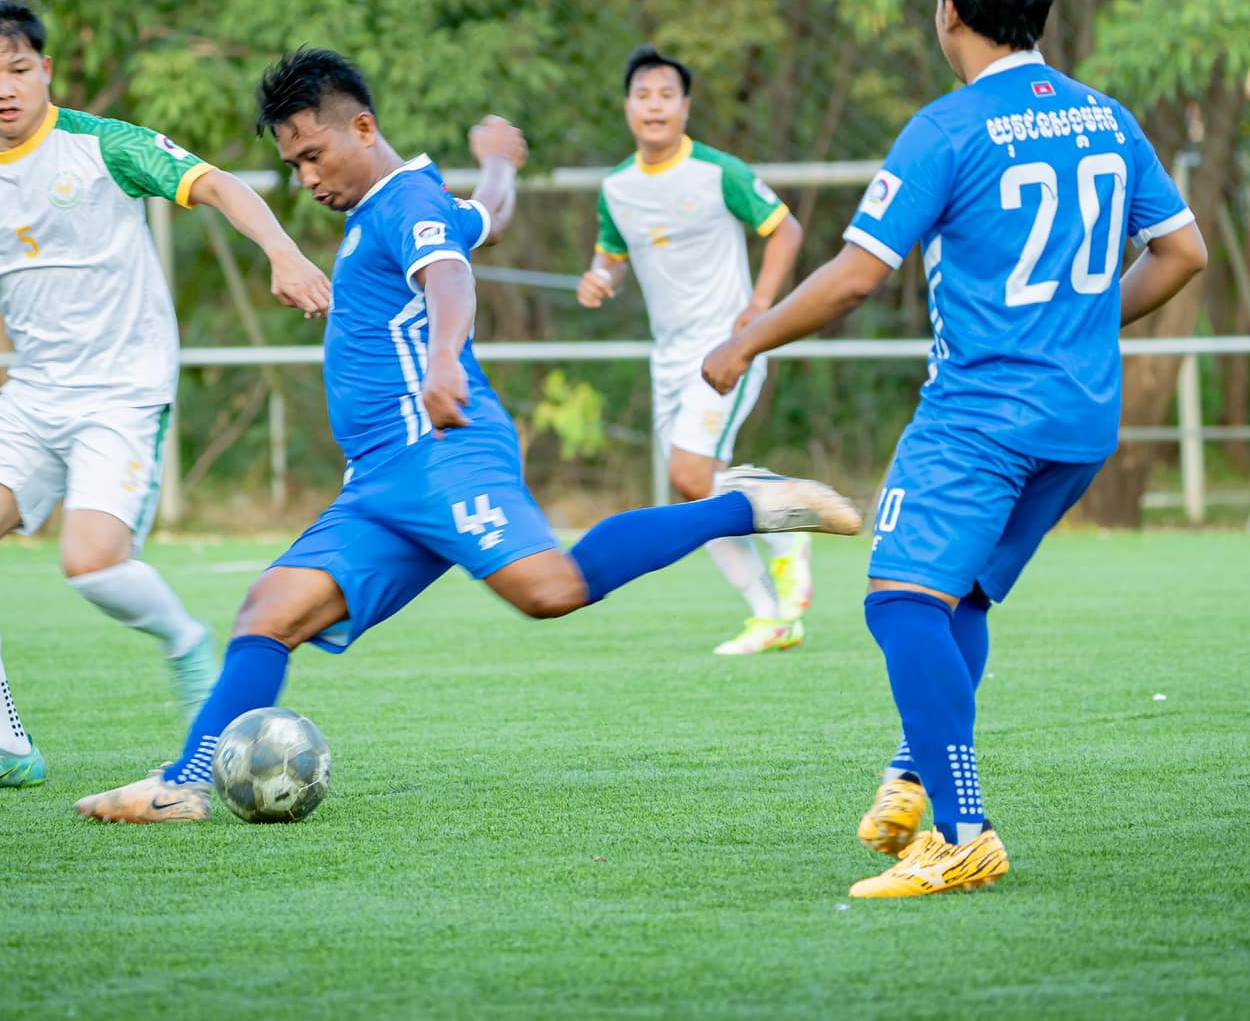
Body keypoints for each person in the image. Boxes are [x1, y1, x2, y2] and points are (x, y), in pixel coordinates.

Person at [76, 47, 862, 823]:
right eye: (293, 166)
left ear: (363, 127)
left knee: (551, 591)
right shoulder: (410, 201)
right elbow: (489, 219)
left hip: (441, 451)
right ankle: (183, 784)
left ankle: (744, 505)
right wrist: (498, 166)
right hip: (379, 477)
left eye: (314, 156)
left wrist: (444, 358)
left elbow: (450, 275)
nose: (307, 179)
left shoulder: (404, 205)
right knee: (268, 613)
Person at [702, 0, 1208, 898]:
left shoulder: (946, 128)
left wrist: (746, 341)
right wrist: (1078, 326)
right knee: (958, 595)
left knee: (898, 600)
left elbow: (855, 276)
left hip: (981, 415)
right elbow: (1183, 253)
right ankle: (911, 771)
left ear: (949, 12)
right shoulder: (1106, 117)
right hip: (1078, 419)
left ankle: (961, 830)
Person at [0, 0, 332, 796]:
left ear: (45, 70)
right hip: (33, 396)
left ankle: (186, 643)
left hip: (122, 393)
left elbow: (219, 185)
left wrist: (285, 253)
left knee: (91, 565)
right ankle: (5, 746)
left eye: (18, 69)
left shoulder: (103, 146)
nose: (4, 87)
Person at [577, 47, 815, 655]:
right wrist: (601, 277)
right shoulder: (617, 188)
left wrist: (759, 309)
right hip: (669, 359)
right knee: (695, 491)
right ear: (627, 108)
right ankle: (770, 612)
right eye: (643, 95)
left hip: (727, 348)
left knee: (690, 474)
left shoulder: (719, 171)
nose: (654, 106)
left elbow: (786, 229)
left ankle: (783, 530)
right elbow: (612, 255)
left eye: (666, 95)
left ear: (685, 107)